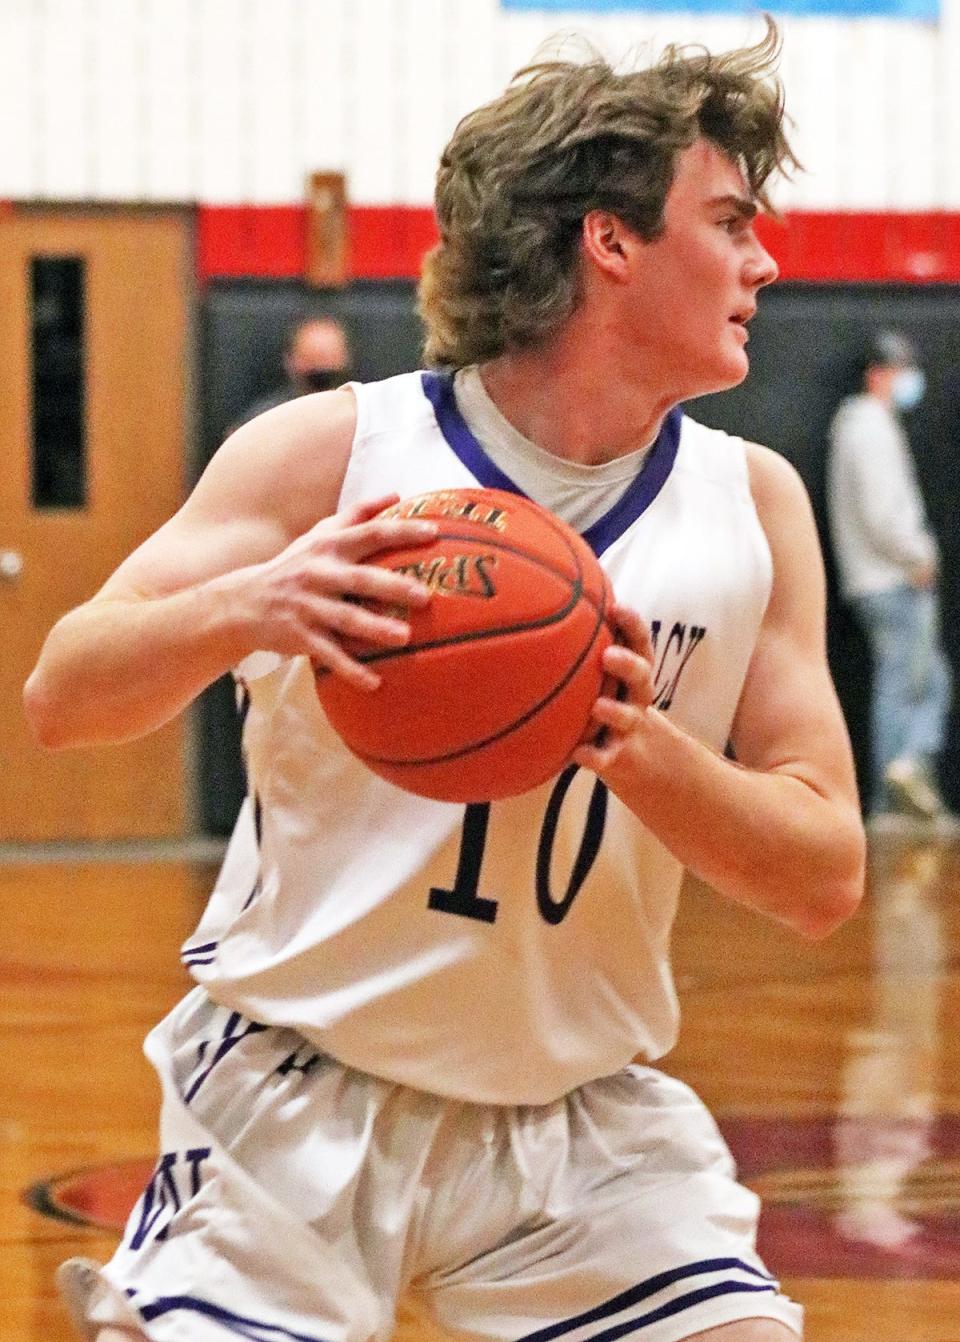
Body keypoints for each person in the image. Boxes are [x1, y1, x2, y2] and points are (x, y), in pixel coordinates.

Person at [27, 21, 865, 1342]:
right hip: (294, 1101)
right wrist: (254, 602)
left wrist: (636, 743)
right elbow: (61, 692)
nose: (768, 261)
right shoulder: (337, 454)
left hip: (579, 1121)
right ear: (612, 239)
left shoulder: (754, 506)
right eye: (731, 220)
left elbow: (823, 874)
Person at [827, 329, 952, 820]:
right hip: (891, 579)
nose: (909, 380)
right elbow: (882, 514)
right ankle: (900, 778)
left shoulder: (861, 427)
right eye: (902, 371)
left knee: (917, 677)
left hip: (875, 577)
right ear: (879, 374)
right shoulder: (869, 428)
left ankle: (900, 783)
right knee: (912, 682)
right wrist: (918, 556)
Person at [230, 314, 352, 430]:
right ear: (290, 361)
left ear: (346, 358)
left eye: (329, 357)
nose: (321, 368)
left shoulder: (363, 417)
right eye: (311, 357)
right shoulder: (263, 420)